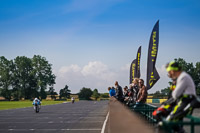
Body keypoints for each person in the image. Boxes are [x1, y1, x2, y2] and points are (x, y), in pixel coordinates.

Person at [165, 61, 196, 132]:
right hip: (182, 101)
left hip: (185, 102)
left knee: (171, 119)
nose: (169, 73)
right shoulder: (180, 77)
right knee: (171, 119)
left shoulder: (183, 77)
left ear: (173, 70)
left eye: (169, 71)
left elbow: (175, 94)